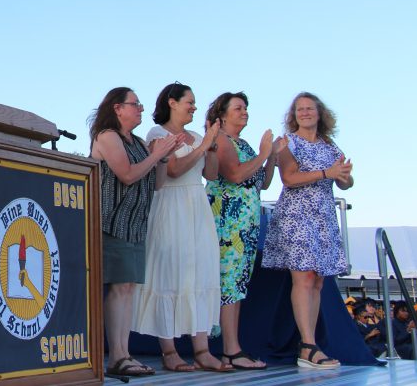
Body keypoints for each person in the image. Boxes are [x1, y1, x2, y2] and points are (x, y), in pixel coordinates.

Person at [132, 83, 231, 372]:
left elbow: (210, 174)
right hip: (170, 206)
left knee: (199, 270)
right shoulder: (158, 134)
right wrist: (203, 145)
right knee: (170, 272)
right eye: (189, 101)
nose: (194, 107)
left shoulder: (198, 136)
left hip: (197, 207)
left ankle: (202, 349)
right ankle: (169, 351)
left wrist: (210, 148)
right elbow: (172, 170)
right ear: (172, 102)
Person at [89, 87, 183, 378]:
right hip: (111, 223)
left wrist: (163, 157)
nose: (141, 108)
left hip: (134, 226)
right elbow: (127, 174)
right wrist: (158, 155)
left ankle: (124, 353)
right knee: (118, 289)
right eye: (135, 104)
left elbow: (157, 184)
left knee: (128, 289)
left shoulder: (140, 143)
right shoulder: (107, 137)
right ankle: (117, 356)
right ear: (117, 108)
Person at [262, 92, 353, 369]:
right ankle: (308, 345)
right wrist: (327, 173)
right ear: (294, 115)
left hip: (323, 217)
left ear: (319, 113)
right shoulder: (288, 143)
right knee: (303, 278)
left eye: (309, 108)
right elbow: (289, 178)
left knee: (317, 280)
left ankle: (309, 345)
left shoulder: (329, 145)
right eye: (299, 109)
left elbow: (346, 184)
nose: (304, 113)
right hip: (297, 216)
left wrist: (344, 175)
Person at [204, 91, 278, 370]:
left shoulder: (242, 143)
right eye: (238, 108)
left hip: (246, 225)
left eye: (245, 107)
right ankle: (230, 349)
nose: (244, 111)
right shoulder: (221, 140)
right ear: (222, 116)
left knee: (237, 284)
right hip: (227, 223)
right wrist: (263, 153)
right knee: (228, 284)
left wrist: (271, 158)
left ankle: (232, 349)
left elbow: (263, 183)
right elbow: (234, 174)